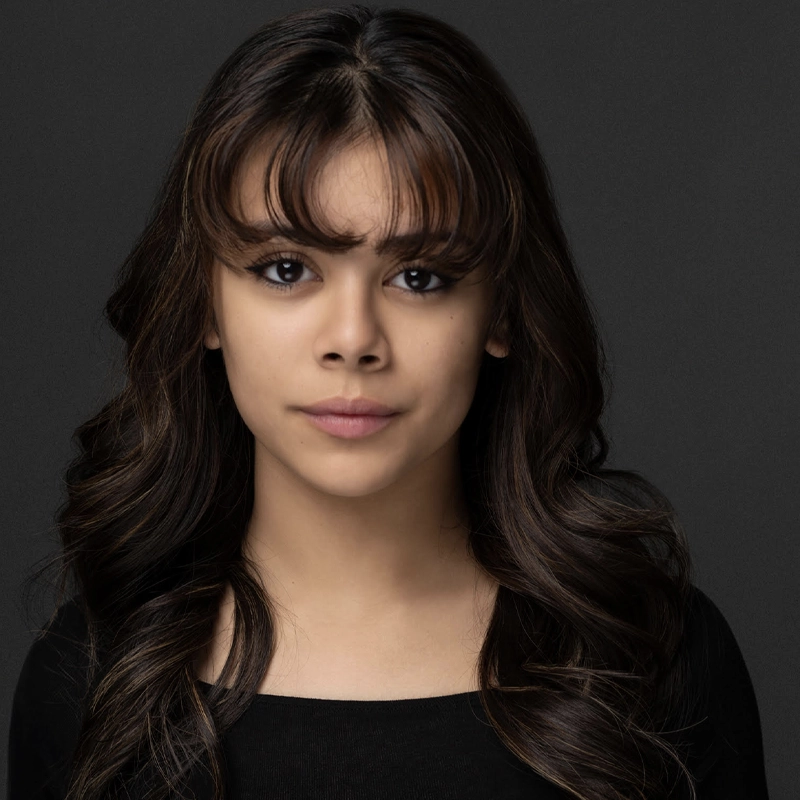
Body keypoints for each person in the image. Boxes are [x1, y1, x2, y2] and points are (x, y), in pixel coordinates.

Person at [7, 4, 768, 799]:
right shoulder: (89, 683)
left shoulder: (656, 666)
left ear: (502, 310)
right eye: (284, 268)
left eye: (420, 277)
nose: (353, 339)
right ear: (204, 302)